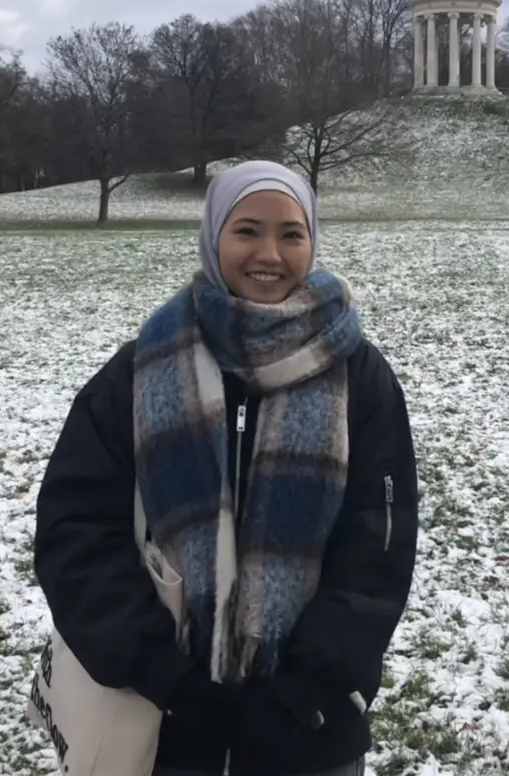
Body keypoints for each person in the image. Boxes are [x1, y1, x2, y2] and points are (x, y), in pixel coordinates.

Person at [33, 160, 418, 776]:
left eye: (291, 233)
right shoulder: (142, 368)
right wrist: (166, 677)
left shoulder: (359, 376)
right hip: (165, 722)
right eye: (247, 230)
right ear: (214, 236)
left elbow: (378, 548)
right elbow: (74, 531)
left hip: (309, 728)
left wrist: (304, 686)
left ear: (312, 240)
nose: (270, 252)